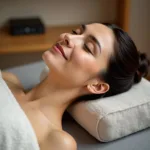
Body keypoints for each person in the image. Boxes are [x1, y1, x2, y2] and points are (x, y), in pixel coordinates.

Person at [1, 23, 149, 150]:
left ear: (97, 86)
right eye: (75, 32)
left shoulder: (57, 142)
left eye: (87, 47)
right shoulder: (7, 79)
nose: (68, 37)